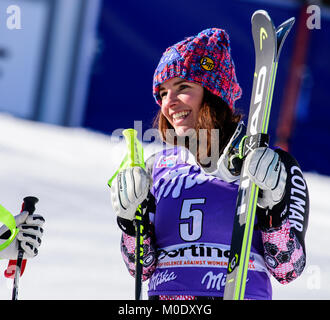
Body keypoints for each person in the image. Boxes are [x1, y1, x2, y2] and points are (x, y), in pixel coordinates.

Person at [110, 28, 309, 300]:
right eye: (163, 93)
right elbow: (140, 269)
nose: (170, 103)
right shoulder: (157, 168)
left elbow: (289, 270)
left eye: (183, 88)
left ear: (213, 95)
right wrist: (129, 222)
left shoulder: (272, 166)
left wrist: (272, 211)